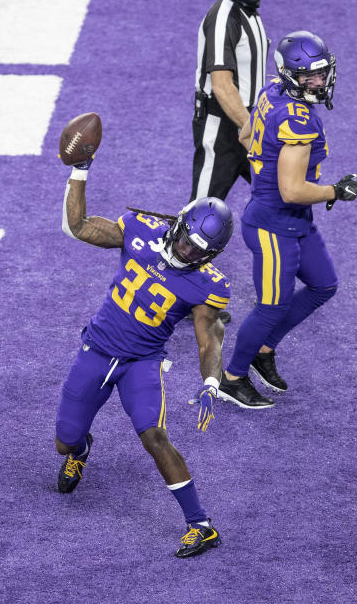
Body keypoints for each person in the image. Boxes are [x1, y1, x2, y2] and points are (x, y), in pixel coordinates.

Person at [53, 153, 234, 558]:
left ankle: (201, 525)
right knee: (65, 442)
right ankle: (81, 451)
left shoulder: (209, 285)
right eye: (185, 240)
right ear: (179, 223)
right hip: (98, 349)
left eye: (196, 251)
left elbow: (210, 339)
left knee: (155, 436)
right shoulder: (140, 229)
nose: (185, 251)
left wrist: (210, 382)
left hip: (142, 363)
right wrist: (80, 170)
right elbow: (78, 226)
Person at [216, 31, 357, 409]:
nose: (318, 82)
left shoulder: (270, 93)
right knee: (272, 306)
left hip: (290, 220)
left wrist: (267, 162)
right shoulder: (298, 122)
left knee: (323, 285)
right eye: (308, 76)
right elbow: (293, 191)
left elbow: (246, 135)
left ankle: (264, 348)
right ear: (289, 75)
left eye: (321, 73)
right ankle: (231, 378)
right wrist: (335, 190)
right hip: (273, 224)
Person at [191, 0, 270, 203]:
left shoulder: (249, 10)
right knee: (198, 216)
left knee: (280, 199)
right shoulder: (223, 18)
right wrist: (256, 133)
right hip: (224, 129)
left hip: (249, 121)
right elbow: (222, 86)